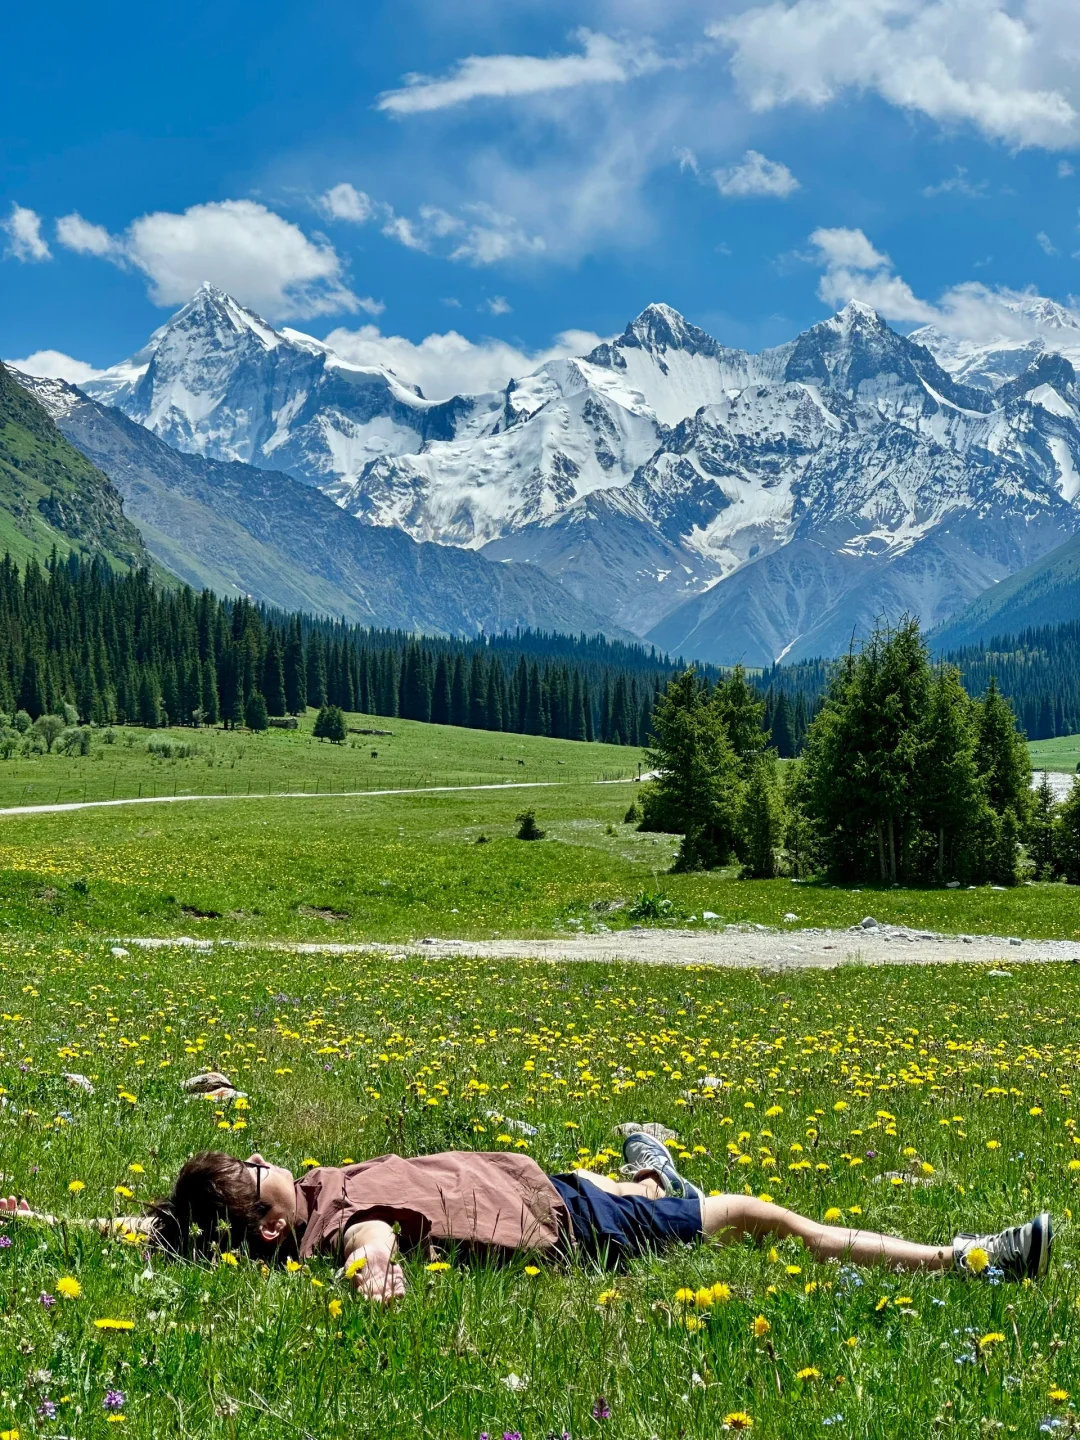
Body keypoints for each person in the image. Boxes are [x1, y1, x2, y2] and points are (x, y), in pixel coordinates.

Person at [0, 1127, 1052, 1303]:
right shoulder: (346, 1219)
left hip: (542, 1183)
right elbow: (376, 1240)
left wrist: (41, 1220)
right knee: (759, 1218)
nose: (277, 1159)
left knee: (643, 1188)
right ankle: (963, 1260)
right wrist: (377, 1274)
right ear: (273, 1226)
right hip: (572, 1220)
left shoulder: (259, 1225)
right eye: (265, 1168)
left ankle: (648, 1170)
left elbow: (155, 1234)